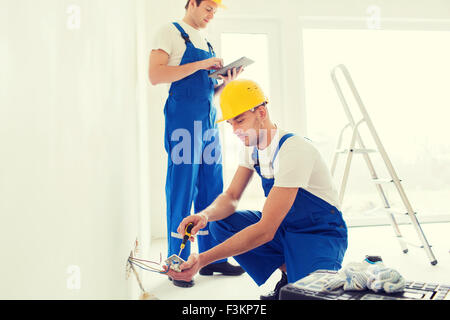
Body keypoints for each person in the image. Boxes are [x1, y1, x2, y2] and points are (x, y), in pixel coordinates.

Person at [165, 79, 348, 299]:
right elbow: (231, 197)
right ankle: (288, 273)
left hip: (318, 233)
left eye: (240, 120)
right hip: (285, 227)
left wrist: (202, 259)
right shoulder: (252, 148)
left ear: (261, 112)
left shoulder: (294, 150)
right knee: (220, 224)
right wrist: (204, 215)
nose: (235, 130)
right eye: (231, 123)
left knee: (305, 295)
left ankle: (299, 272)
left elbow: (265, 230)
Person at [149, 0, 244, 288]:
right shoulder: (170, 31)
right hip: (183, 122)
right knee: (182, 189)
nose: (211, 16)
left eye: (215, 12)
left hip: (209, 122)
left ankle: (211, 259)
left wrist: (225, 82)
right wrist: (203, 63)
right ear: (192, 4)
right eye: (207, 9)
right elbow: (156, 75)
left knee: (212, 189)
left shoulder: (208, 41)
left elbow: (207, 92)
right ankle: (177, 262)